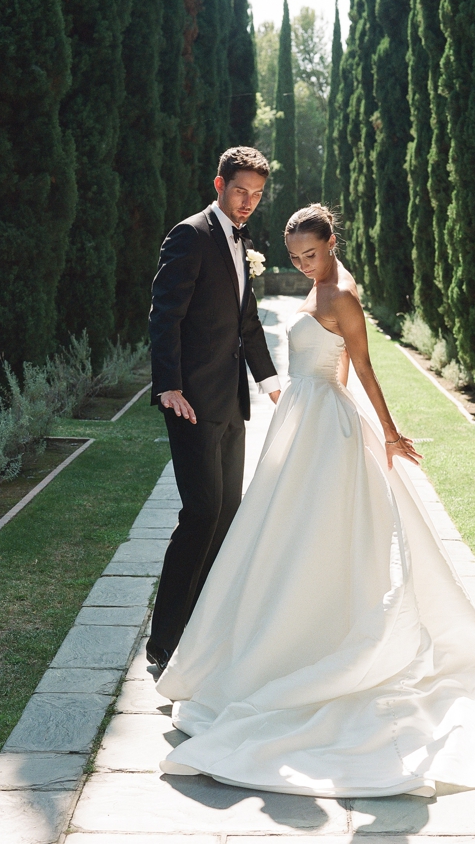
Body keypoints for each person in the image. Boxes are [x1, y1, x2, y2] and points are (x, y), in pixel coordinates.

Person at [153, 205, 475, 796]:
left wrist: (388, 432)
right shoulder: (321, 286)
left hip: (328, 425)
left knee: (322, 531)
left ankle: (326, 638)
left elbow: (362, 367)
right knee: (280, 535)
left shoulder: (342, 297)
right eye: (294, 257)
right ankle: (280, 632)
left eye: (310, 254)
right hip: (300, 418)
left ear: (332, 242)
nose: (303, 264)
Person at [146, 146, 281, 669]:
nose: (248, 203)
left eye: (257, 195)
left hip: (231, 404)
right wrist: (168, 386)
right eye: (241, 191)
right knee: (200, 513)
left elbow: (247, 324)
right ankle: (163, 644)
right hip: (190, 404)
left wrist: (271, 383)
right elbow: (165, 316)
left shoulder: (244, 244)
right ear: (219, 184)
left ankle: (201, 635)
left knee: (225, 514)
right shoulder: (190, 235)